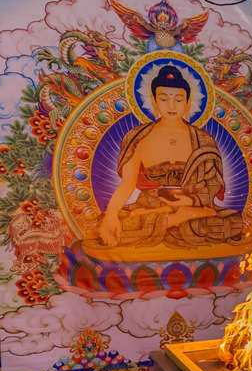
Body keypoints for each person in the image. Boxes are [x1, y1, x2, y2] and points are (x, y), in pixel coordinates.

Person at [97, 64, 243, 249]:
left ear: (188, 103)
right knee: (105, 223)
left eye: (179, 99)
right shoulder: (137, 137)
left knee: (233, 222)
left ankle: (180, 216)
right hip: (151, 205)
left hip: (193, 204)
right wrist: (111, 214)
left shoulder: (203, 139)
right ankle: (175, 218)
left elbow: (213, 182)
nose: (171, 106)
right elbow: (127, 183)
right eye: (164, 99)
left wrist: (192, 201)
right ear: (154, 101)